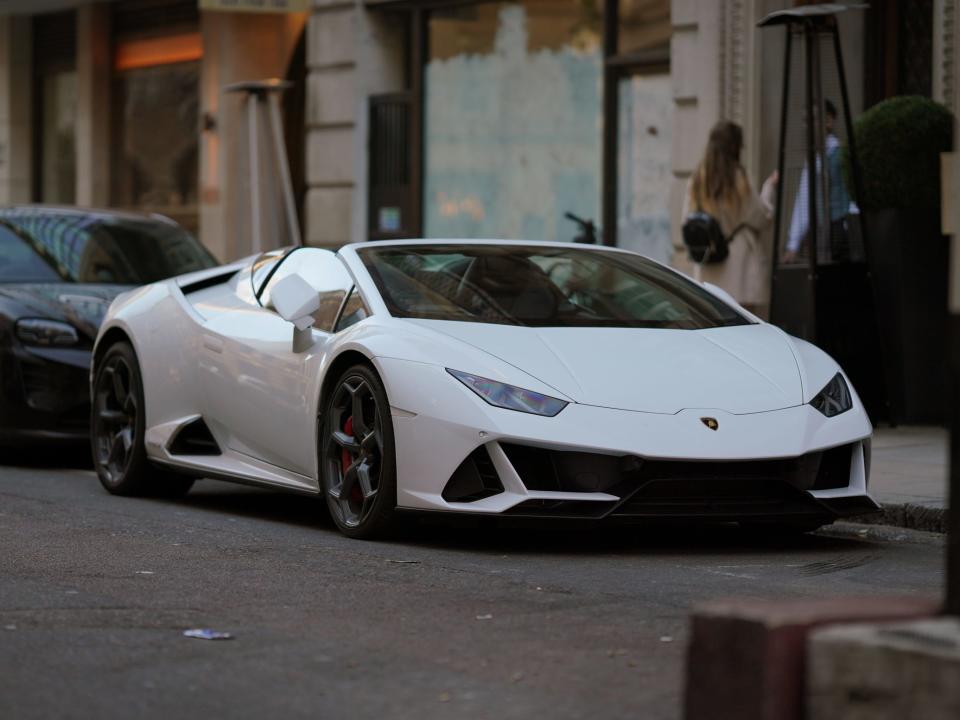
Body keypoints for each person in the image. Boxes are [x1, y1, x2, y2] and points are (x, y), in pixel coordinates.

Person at [683, 120, 778, 317]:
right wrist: (768, 189)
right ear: (735, 146)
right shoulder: (739, 178)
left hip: (708, 265)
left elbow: (686, 221)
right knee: (745, 330)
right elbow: (762, 218)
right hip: (739, 267)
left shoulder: (698, 179)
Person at [784, 99, 852, 263]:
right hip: (822, 233)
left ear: (829, 120)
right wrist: (793, 243)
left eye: (812, 120)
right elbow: (804, 198)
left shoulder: (841, 154)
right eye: (804, 121)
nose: (807, 126)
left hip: (842, 230)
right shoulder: (815, 158)